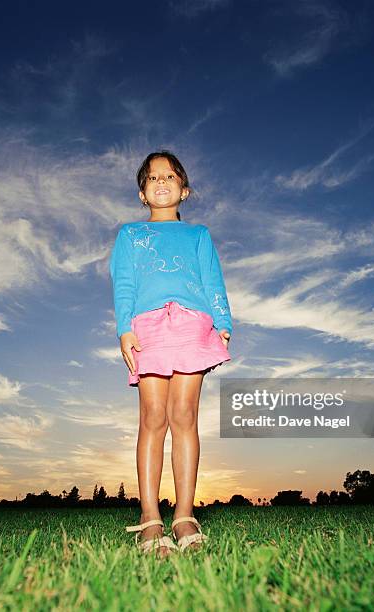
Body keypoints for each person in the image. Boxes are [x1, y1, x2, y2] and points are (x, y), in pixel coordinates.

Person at [109, 150, 233, 558]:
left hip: (193, 323)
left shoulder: (199, 235)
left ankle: (183, 515)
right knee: (153, 417)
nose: (161, 182)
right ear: (143, 193)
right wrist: (124, 327)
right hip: (148, 327)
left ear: (184, 188)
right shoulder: (130, 235)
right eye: (152, 178)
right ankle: (150, 517)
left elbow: (212, 278)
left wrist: (223, 321)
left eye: (170, 176)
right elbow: (123, 282)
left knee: (184, 417)